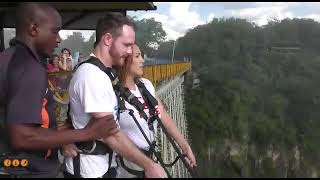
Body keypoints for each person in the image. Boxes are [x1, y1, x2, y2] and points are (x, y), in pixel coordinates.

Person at [0, 2, 119, 178]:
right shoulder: (28, 68)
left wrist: (61, 137)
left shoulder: (9, 58)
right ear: (34, 29)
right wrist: (88, 133)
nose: (59, 39)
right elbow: (22, 136)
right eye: (55, 31)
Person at [62, 12, 167, 178]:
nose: (129, 51)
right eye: (126, 44)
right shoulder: (92, 75)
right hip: (90, 171)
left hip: (102, 166)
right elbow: (110, 133)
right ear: (108, 39)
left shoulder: (102, 74)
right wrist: (149, 165)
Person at [114, 44, 197, 178]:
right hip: (128, 166)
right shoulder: (112, 94)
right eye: (137, 56)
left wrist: (185, 147)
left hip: (151, 157)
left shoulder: (145, 85)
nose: (143, 60)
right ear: (124, 60)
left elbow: (163, 115)